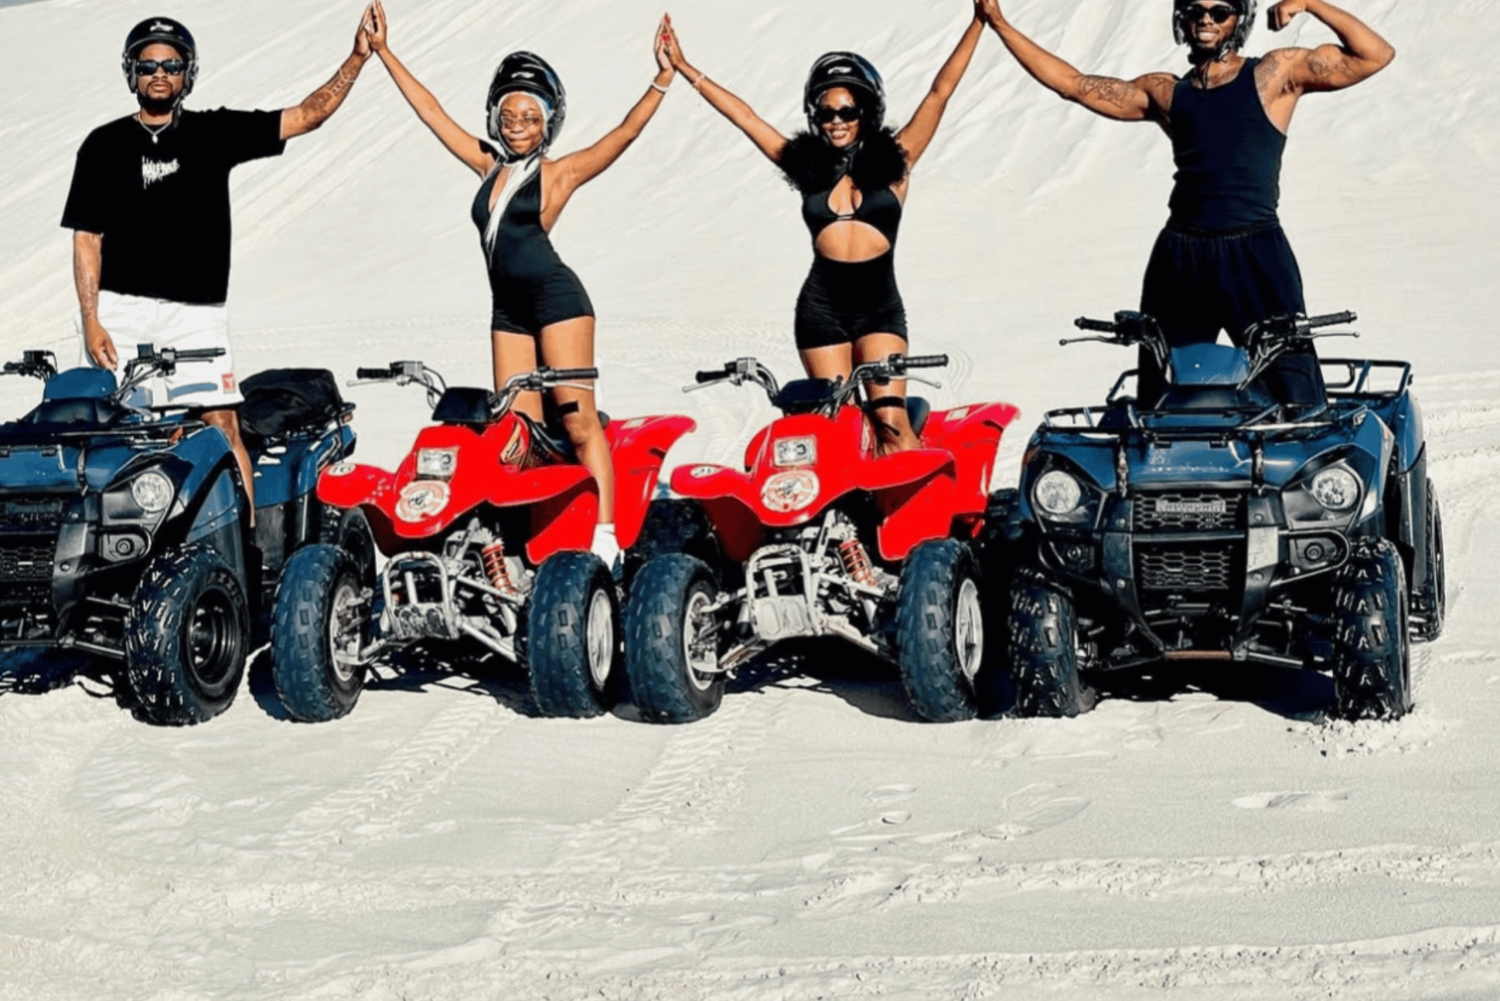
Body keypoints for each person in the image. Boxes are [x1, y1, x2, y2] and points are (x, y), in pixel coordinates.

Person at [363, 2, 675, 562]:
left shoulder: (559, 173)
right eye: (508, 114)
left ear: (548, 123)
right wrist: (385, 52)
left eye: (530, 117)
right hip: (506, 310)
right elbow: (431, 112)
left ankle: (606, 536)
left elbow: (623, 134)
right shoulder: (488, 166)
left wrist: (662, 79)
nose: (517, 125)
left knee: (579, 423)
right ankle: (532, 540)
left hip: (558, 302)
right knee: (518, 434)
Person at [978, 0, 1395, 406]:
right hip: (1180, 257)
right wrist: (1000, 24)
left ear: (1239, 18)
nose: (1206, 20)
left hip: (1255, 252)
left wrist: (1310, 4)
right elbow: (1073, 85)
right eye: (1195, 11)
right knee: (1160, 396)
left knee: (1295, 392)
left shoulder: (1274, 74)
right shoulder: (1166, 92)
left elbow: (1375, 55)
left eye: (1219, 12)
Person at [62, 12, 377, 518]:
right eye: (147, 65)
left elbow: (306, 115)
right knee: (115, 437)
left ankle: (245, 548)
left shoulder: (214, 131)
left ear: (188, 73)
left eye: (172, 64)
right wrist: (91, 318)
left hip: (196, 314)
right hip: (118, 312)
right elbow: (87, 239)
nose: (159, 73)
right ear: (131, 73)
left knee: (222, 426)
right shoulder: (102, 145)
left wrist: (358, 57)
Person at [661, 6, 986, 453]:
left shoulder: (897, 159)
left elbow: (939, 93)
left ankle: (914, 498)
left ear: (866, 112)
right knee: (839, 430)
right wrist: (683, 67)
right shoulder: (807, 167)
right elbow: (747, 118)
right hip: (821, 311)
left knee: (891, 424)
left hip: (878, 310)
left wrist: (980, 22)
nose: (836, 120)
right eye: (827, 111)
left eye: (847, 111)